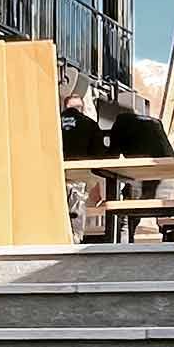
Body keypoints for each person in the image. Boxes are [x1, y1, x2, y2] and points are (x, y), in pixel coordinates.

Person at [58, 94, 104, 242]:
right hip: (81, 173)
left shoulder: (52, 123)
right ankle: (80, 236)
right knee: (93, 190)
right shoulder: (89, 124)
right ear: (81, 108)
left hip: (56, 173)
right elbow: (99, 153)